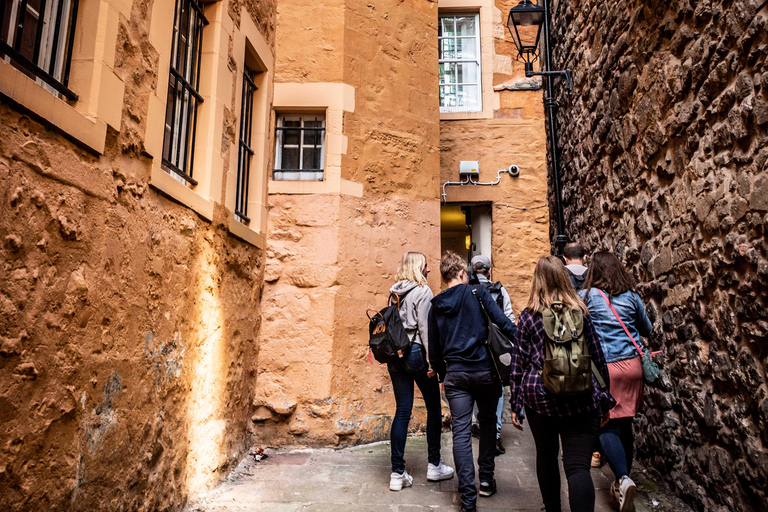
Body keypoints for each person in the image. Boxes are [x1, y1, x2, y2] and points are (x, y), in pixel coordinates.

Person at [509, 255, 614, 512]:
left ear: (538, 281)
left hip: (540, 398)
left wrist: (515, 403)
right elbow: (597, 357)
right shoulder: (581, 313)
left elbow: (518, 363)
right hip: (582, 397)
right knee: (578, 467)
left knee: (546, 456)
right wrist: (605, 398)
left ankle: (552, 508)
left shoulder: (529, 317)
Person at [428, 251, 517, 512]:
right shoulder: (477, 293)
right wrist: (527, 341)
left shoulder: (436, 305)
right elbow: (503, 323)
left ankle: (468, 497)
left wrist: (443, 375)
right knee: (487, 423)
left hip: (456, 375)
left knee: (461, 432)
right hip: (485, 371)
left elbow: (434, 350)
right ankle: (486, 480)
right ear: (460, 273)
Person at [580, 252, 653, 512]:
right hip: (633, 367)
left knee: (606, 425)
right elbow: (647, 329)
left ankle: (622, 479)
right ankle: (623, 485)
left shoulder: (585, 297)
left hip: (605, 369)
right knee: (625, 423)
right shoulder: (632, 297)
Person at [387, 252, 454, 491]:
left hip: (395, 356)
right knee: (434, 407)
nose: (428, 270)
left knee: (402, 411)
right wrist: (433, 362)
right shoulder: (423, 291)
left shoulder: (394, 292)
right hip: (416, 353)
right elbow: (426, 329)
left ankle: (397, 473)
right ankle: (434, 465)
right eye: (425, 266)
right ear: (417, 267)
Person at [469, 255, 514, 455]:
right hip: (496, 347)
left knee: (473, 386)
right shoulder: (500, 290)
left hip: (474, 346)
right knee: (498, 387)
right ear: (489, 271)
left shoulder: (467, 290)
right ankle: (494, 432)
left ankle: (478, 423)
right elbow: (509, 318)